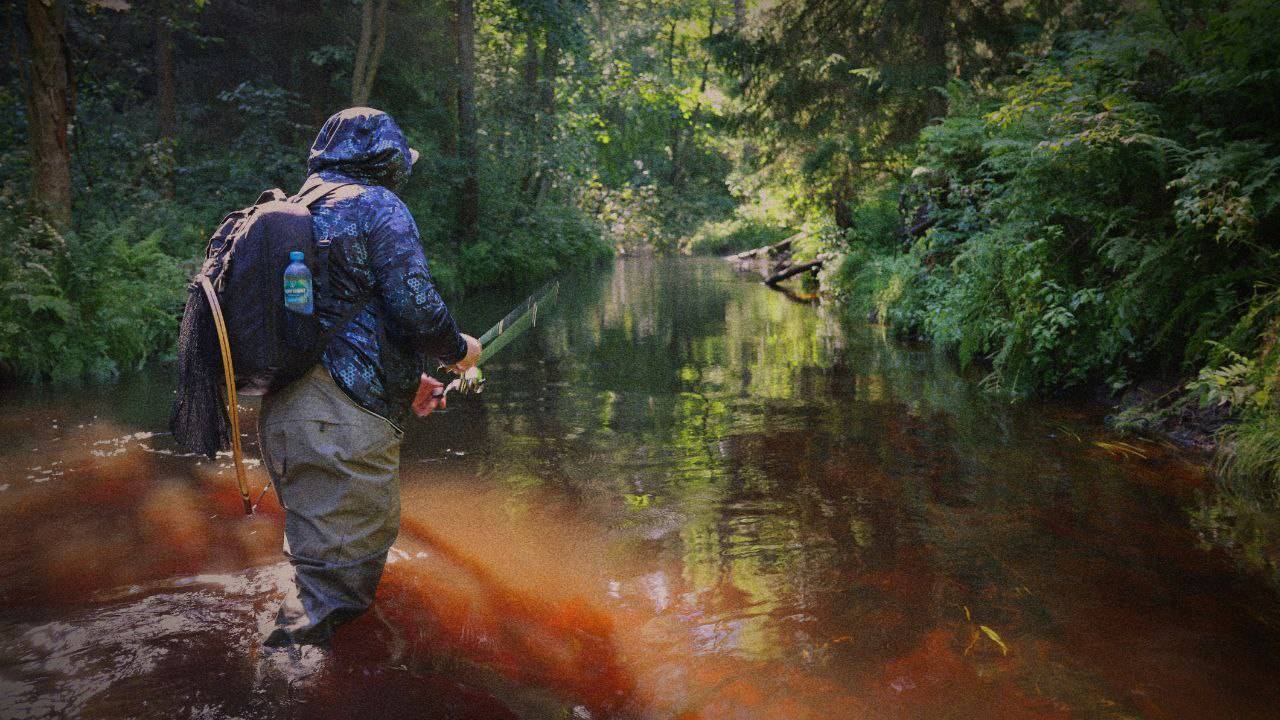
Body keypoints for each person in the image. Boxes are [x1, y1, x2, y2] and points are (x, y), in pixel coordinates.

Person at [257, 107, 481, 653]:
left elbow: (342, 324)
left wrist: (408, 384)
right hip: (341, 425)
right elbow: (417, 308)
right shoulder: (377, 205)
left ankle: (286, 662)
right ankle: (286, 692)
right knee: (335, 599)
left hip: (287, 417)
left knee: (314, 569)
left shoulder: (298, 208)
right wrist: (460, 352)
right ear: (386, 161)